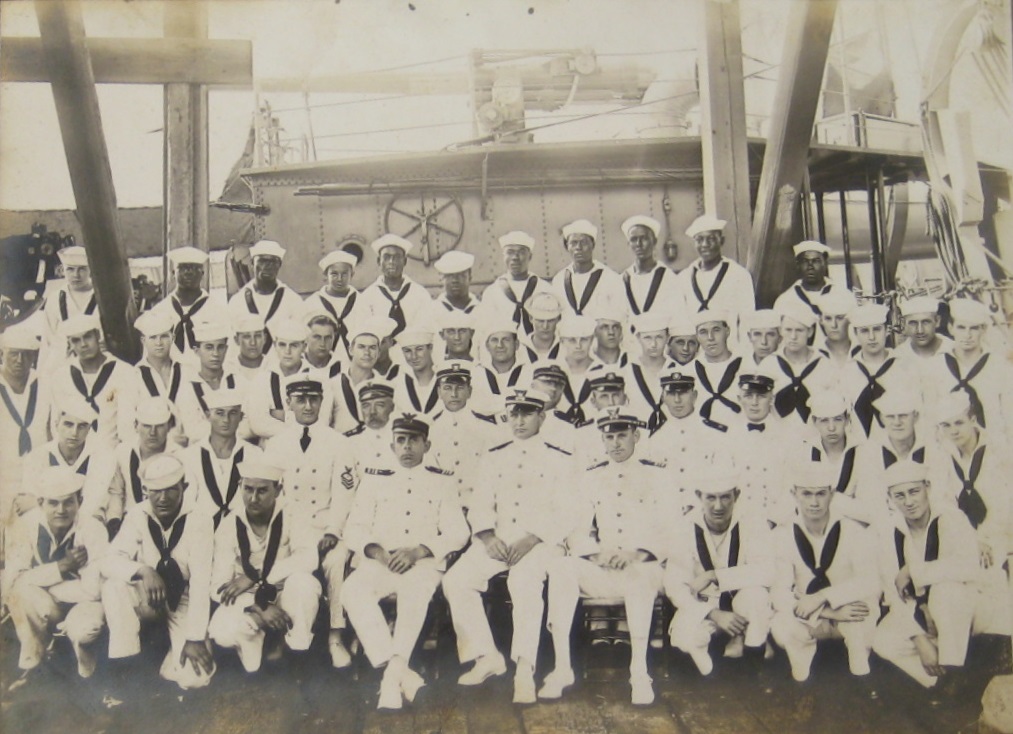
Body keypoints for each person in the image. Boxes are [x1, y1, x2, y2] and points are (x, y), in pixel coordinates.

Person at [443, 388, 576, 704]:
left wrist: (533, 537)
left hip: (540, 542)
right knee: (456, 580)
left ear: (541, 416)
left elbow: (570, 509)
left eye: (527, 413)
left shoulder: (560, 457)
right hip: (499, 539)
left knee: (523, 582)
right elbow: (480, 504)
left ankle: (524, 669)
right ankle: (486, 656)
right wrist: (487, 536)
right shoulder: (494, 455)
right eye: (513, 414)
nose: (519, 421)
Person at [340, 412, 469, 710]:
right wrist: (380, 554)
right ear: (392, 445)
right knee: (352, 590)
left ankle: (389, 681)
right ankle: (402, 676)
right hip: (379, 562)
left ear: (427, 444)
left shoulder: (442, 482)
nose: (407, 447)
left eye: (414, 440)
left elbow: (458, 532)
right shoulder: (374, 481)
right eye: (401, 440)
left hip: (421, 564)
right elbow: (354, 528)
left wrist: (418, 551)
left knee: (414, 594)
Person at [540, 407, 666, 705]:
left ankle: (639, 672)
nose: (615, 443)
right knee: (561, 568)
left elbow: (673, 530)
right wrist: (596, 553)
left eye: (622, 435)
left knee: (638, 577)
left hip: (644, 567)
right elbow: (577, 529)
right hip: (604, 567)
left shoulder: (658, 475)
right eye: (609, 437)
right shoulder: (591, 477)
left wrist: (637, 553)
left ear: (636, 436)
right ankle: (562, 667)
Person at [263, 377, 356, 668]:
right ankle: (281, 635)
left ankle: (335, 637)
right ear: (288, 403)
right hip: (288, 529)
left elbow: (345, 491)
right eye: (300, 400)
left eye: (313, 399)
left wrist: (333, 530)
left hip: (325, 526)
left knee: (337, 560)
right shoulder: (276, 444)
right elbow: (270, 493)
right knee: (278, 568)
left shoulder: (338, 442)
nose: (307, 406)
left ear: (321, 402)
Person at [101, 454, 215, 689]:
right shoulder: (137, 514)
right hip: (148, 595)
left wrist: (194, 638)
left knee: (196, 678)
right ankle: (127, 664)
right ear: (145, 490)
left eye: (171, 489)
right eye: (155, 491)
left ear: (184, 486)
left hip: (183, 597)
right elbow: (109, 561)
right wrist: (143, 570)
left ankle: (170, 655)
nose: (163, 498)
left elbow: (201, 584)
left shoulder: (200, 519)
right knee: (114, 586)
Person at [872, 460, 980, 689]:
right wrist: (919, 640)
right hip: (918, 607)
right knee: (883, 640)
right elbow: (893, 593)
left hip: (965, 604)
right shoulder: (888, 532)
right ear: (890, 498)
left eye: (914, 492)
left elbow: (970, 567)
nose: (909, 502)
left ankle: (953, 671)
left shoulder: (952, 518)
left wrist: (914, 569)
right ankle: (938, 682)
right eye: (899, 495)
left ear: (927, 487)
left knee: (945, 591)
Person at [208, 457, 321, 672]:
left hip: (285, 591)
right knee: (222, 633)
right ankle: (259, 654)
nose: (253, 498)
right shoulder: (229, 524)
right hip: (249, 599)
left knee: (304, 583)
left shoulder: (294, 513)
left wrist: (256, 575)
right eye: (248, 489)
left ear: (278, 490)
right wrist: (260, 607)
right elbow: (217, 586)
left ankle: (296, 652)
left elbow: (309, 559)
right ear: (240, 487)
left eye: (262, 491)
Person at [770, 462, 880, 682]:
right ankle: (801, 677)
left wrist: (824, 597)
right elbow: (779, 592)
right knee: (783, 626)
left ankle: (861, 677)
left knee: (862, 613)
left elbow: (869, 581)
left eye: (821, 493)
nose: (814, 502)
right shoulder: (781, 535)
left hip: (847, 606)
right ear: (794, 494)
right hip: (808, 612)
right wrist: (825, 612)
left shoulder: (853, 530)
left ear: (832, 494)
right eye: (807, 494)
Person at [664, 470, 773, 676]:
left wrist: (715, 576)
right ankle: (714, 669)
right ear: (698, 496)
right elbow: (675, 585)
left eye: (725, 497)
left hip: (741, 604)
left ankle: (753, 664)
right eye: (711, 498)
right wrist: (712, 614)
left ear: (736, 495)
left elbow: (767, 571)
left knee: (758, 596)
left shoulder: (752, 522)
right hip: (704, 605)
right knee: (685, 639)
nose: (718, 506)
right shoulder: (684, 527)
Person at [3, 469, 107, 679]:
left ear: (80, 501)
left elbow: (94, 591)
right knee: (21, 591)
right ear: (41, 503)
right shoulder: (26, 525)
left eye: (68, 502)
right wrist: (61, 567)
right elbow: (15, 577)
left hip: (84, 604)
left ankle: (87, 675)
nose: (61, 510)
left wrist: (48, 584)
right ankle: (34, 664)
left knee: (84, 630)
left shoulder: (93, 528)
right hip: (52, 602)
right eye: (53, 503)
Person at [931, 392, 1011, 637]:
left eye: (958, 422)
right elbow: (943, 502)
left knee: (994, 577)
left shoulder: (999, 450)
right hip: (967, 539)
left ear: (972, 419)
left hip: (1001, 535)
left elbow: (1006, 504)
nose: (953, 431)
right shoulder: (943, 454)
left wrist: (986, 539)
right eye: (946, 425)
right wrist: (971, 540)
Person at [923, 298, 1013, 446]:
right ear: (951, 328)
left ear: (983, 329)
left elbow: (1010, 418)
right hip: (949, 452)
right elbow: (929, 419)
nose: (967, 335)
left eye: (974, 328)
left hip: (993, 450)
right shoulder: (935, 367)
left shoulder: (1000, 367)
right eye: (961, 328)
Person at [89, 396, 180, 534]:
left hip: (168, 527)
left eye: (159, 426)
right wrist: (114, 521)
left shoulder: (180, 455)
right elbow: (116, 493)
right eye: (147, 426)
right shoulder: (123, 452)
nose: (153, 433)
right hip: (129, 524)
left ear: (169, 426)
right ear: (136, 425)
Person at [179, 388, 262, 530]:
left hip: (242, 532)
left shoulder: (255, 454)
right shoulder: (189, 456)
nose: (226, 420)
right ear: (207, 415)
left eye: (233, 413)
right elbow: (186, 504)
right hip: (199, 532)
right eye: (219, 413)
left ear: (241, 417)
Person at [49, 314, 132, 446]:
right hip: (74, 457)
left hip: (111, 454)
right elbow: (56, 425)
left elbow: (128, 428)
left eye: (87, 337)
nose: (83, 345)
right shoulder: (61, 376)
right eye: (76, 340)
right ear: (69, 343)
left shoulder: (124, 372)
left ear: (98, 335)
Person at [643, 370, 723, 505]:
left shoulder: (715, 434)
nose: (677, 400)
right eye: (671, 394)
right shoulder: (654, 438)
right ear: (663, 398)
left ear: (694, 395)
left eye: (683, 393)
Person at [427, 361, 499, 508]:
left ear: (469, 391)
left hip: (480, 508)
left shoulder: (488, 428)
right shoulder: (429, 428)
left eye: (460, 388)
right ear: (439, 392)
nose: (454, 394)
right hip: (443, 510)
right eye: (447, 388)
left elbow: (495, 476)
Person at [727, 369, 795, 526]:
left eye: (761, 396)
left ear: (772, 399)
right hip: (738, 522)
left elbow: (792, 487)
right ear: (739, 398)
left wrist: (773, 520)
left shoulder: (788, 437)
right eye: (748, 396)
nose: (754, 402)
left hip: (778, 523)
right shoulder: (728, 437)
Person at [676, 215, 755, 340]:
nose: (705, 244)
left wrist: (742, 354)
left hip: (730, 350)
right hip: (697, 351)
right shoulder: (683, 278)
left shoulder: (739, 275)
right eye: (699, 239)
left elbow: (747, 320)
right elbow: (680, 320)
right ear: (694, 243)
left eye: (711, 239)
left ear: (721, 241)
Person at [0, 326, 48, 532]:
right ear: (2, 353)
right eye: (13, 354)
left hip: (34, 475)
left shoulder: (45, 384)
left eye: (26, 355)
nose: (19, 360)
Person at [841, 303, 914, 438]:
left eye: (877, 329)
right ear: (856, 334)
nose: (871, 337)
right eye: (864, 331)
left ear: (887, 330)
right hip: (861, 449)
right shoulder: (847, 372)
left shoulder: (905, 367)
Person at [227, 240, 304, 353]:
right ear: (252, 263)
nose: (267, 266)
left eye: (273, 262)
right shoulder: (237, 301)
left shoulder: (293, 301)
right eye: (262, 261)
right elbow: (232, 343)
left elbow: (299, 339)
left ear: (280, 265)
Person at [763, 302, 830, 430]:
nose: (793, 337)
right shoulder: (769, 364)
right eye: (788, 330)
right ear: (781, 331)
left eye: (799, 330)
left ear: (810, 332)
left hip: (814, 434)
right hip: (777, 434)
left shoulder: (824, 365)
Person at [177, 319, 243, 443]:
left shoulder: (239, 381)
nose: (215, 354)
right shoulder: (187, 389)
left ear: (226, 349)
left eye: (220, 347)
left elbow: (249, 424)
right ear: (197, 351)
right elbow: (194, 431)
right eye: (209, 347)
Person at [130, 309, 188, 447]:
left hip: (187, 448)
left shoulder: (187, 371)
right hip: (150, 451)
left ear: (172, 338)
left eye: (164, 336)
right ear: (143, 340)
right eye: (153, 337)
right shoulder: (133, 377)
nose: (159, 343)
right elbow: (127, 426)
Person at [152, 246, 220, 363]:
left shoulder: (217, 310)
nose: (189, 272)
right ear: (173, 273)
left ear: (203, 273)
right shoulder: (159, 311)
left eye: (194, 268)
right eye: (183, 268)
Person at [245, 318, 309, 440]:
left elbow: (320, 422)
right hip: (271, 451)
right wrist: (296, 425)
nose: (287, 351)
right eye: (282, 345)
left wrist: (279, 417)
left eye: (294, 345)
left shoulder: (317, 378)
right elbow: (258, 424)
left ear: (304, 347)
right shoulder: (262, 379)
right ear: (275, 345)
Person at [359, 234, 432, 339]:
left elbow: (427, 330)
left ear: (405, 261)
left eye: (397, 257)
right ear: (379, 261)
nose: (391, 262)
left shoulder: (420, 294)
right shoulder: (367, 297)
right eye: (386, 257)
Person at [479, 231, 553, 336]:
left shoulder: (545, 289)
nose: (515, 257)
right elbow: (485, 330)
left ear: (530, 256)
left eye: (521, 252)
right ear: (503, 256)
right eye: (510, 252)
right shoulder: (492, 292)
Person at [330, 318, 396, 433]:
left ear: (378, 352)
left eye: (372, 347)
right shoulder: (332, 385)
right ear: (351, 350)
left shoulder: (387, 386)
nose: (367, 353)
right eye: (361, 347)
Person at [551, 219, 624, 318]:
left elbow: (620, 315)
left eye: (584, 242)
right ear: (567, 247)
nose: (578, 247)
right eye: (573, 243)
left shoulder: (610, 278)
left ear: (592, 245)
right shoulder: (559, 280)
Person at [773, 240, 839, 349]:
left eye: (816, 261)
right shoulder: (785, 301)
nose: (810, 266)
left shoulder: (843, 295)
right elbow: (780, 341)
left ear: (825, 263)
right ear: (798, 265)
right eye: (805, 261)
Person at [303, 250, 364, 362]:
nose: (339, 279)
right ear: (326, 274)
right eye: (334, 274)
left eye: (344, 274)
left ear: (352, 274)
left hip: (354, 363)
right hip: (322, 365)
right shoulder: (312, 303)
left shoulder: (363, 302)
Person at [690, 309, 743, 430]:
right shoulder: (690, 370)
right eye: (703, 332)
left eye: (716, 330)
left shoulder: (744, 366)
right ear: (697, 336)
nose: (710, 338)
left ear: (727, 331)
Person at [624, 312, 677, 432]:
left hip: (672, 437)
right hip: (639, 436)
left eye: (659, 337)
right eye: (647, 338)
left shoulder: (678, 370)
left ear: (667, 338)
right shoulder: (627, 372)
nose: (653, 344)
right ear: (638, 338)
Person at [620, 215, 681, 318]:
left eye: (644, 238)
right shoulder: (622, 280)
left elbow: (677, 316)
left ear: (654, 241)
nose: (639, 244)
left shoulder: (668, 278)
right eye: (634, 239)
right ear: (628, 244)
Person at [43, 245, 98, 360]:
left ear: (91, 269)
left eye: (82, 269)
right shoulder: (54, 298)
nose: (76, 275)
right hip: (62, 360)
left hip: (95, 359)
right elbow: (48, 338)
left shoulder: (102, 297)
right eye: (70, 269)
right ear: (63, 270)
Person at [520, 292, 563, 361]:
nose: (545, 326)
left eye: (550, 320)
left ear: (558, 319)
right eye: (540, 321)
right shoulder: (519, 349)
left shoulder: (566, 348)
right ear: (530, 318)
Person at [225, 313, 267, 383]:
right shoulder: (227, 368)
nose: (253, 342)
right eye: (247, 336)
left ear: (265, 339)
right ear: (237, 340)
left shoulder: (274, 367)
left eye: (257, 336)